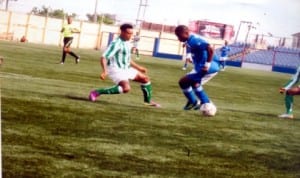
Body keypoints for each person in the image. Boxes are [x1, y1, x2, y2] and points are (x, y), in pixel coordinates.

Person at [89, 23, 160, 107]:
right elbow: (104, 57)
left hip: (126, 69)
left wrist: (139, 67)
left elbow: (127, 59)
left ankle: (147, 102)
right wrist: (105, 71)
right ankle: (96, 92)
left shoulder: (127, 43)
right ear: (122, 32)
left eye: (131, 33)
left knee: (145, 79)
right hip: (116, 69)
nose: (130, 35)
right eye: (128, 33)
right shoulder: (116, 43)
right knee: (126, 88)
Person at [174, 25, 220, 110]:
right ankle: (202, 102)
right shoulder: (190, 40)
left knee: (183, 81)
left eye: (179, 36)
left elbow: (210, 50)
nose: (178, 38)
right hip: (203, 66)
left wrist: (207, 66)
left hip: (207, 66)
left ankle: (201, 103)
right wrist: (190, 56)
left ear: (187, 33)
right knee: (194, 83)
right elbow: (193, 48)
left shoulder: (195, 40)